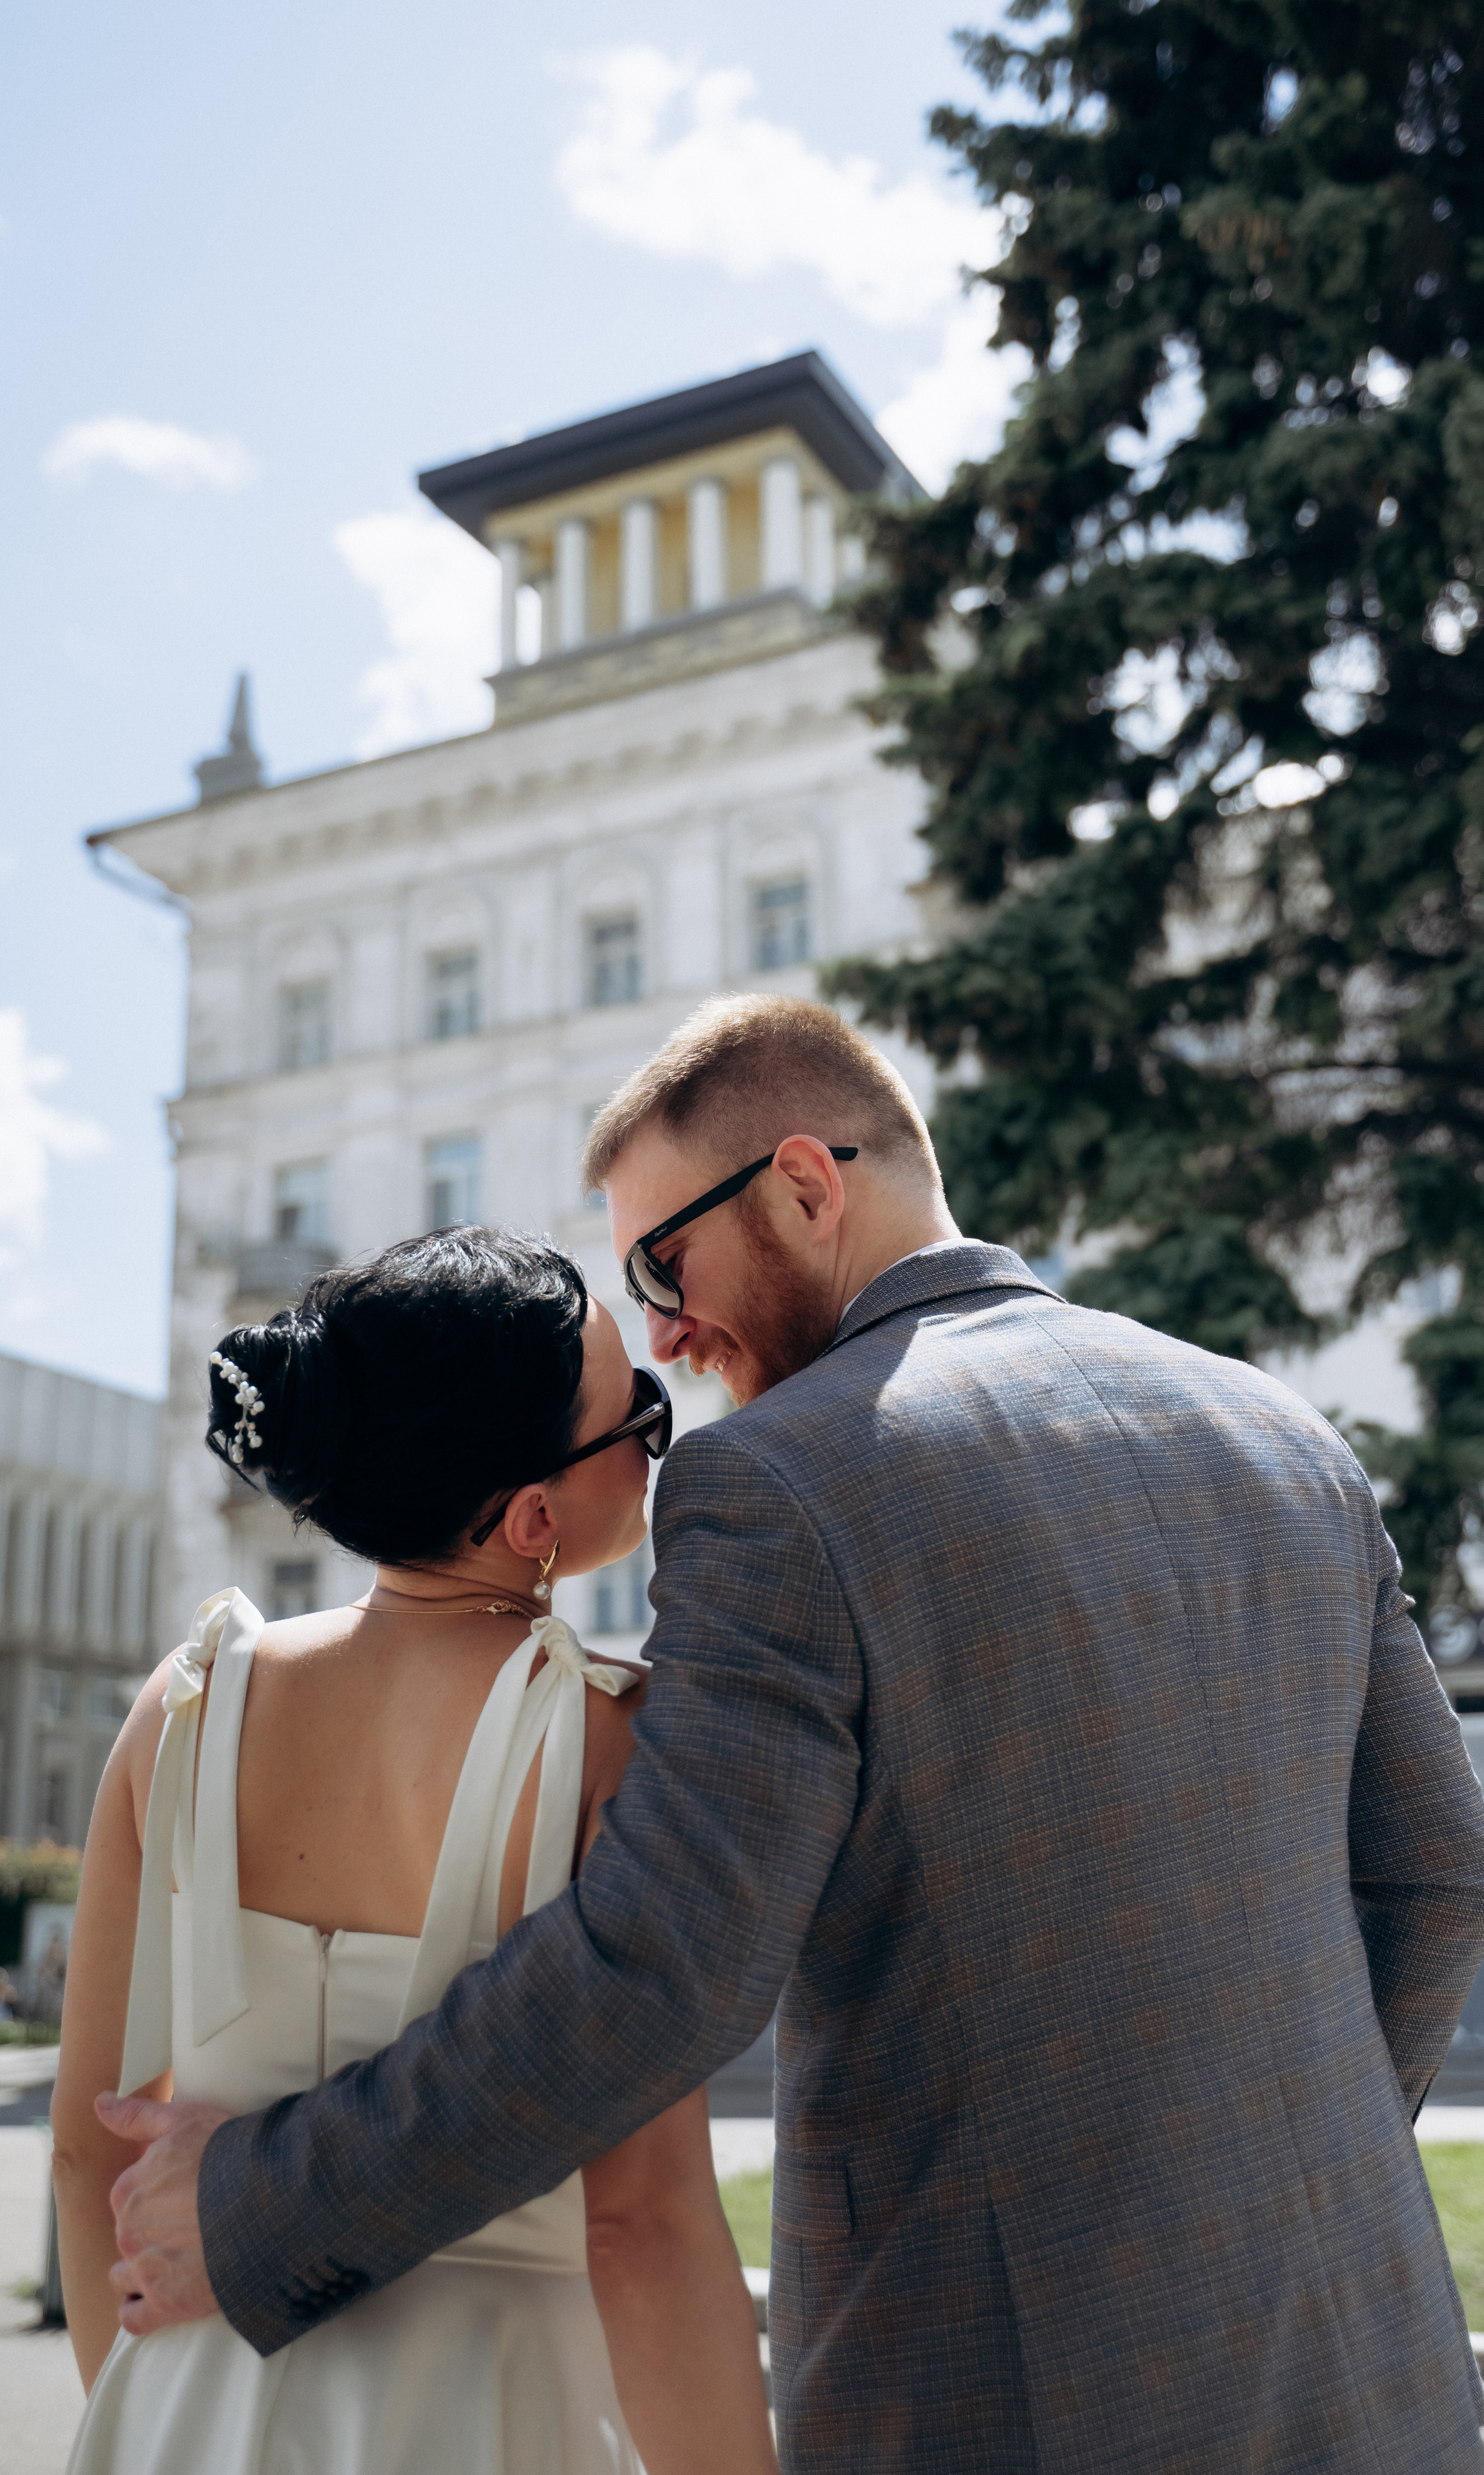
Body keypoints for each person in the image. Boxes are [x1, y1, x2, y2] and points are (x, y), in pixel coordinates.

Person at [107, 993, 1484, 2472]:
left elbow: (660, 1970)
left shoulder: (776, 1484)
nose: (660, 1335)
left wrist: (264, 2206)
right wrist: (1299, 2172)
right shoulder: (1282, 1435)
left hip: (993, 2396)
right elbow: (1431, 1874)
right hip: (1376, 2369)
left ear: (805, 1184)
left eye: (661, 1261)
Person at [51, 1228, 775, 2475]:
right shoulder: (610, 1735)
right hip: (505, 2410)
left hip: (189, 2395)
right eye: (635, 1420)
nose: (661, 1434)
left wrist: (142, 2404)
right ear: (533, 1515)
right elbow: (642, 2217)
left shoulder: (184, 1703)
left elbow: (90, 2142)